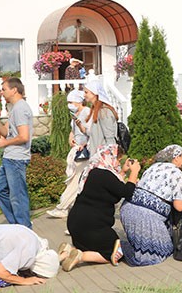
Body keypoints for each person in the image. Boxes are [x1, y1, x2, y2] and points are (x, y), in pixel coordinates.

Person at [60, 144, 140, 271]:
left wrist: (123, 172)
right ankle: (81, 257)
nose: (118, 163)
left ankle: (67, 252)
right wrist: (134, 173)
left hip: (75, 223)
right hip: (91, 226)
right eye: (118, 159)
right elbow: (126, 192)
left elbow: (113, 186)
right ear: (110, 157)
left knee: (89, 245)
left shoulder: (92, 171)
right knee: (114, 251)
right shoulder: (105, 174)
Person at [119, 145, 182, 266]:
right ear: (176, 157)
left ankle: (123, 248)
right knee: (158, 253)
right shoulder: (178, 174)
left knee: (145, 244)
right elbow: (179, 206)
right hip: (147, 216)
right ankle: (121, 247)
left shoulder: (153, 167)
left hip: (127, 209)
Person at [0, 77, 33, 227]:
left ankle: (24, 229)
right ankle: (16, 225)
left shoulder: (21, 108)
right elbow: (7, 132)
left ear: (14, 90)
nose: (1, 93)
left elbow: (24, 136)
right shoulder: (15, 108)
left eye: (4, 89)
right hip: (9, 157)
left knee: (17, 197)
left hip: (16, 159)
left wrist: (4, 143)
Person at [47, 89, 92, 219]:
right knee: (73, 179)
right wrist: (71, 138)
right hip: (76, 150)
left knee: (76, 180)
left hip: (84, 152)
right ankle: (73, 206)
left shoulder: (87, 112)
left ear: (78, 101)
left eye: (71, 102)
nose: (69, 105)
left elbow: (91, 132)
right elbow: (73, 130)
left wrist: (85, 144)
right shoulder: (75, 115)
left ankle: (63, 207)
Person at [83, 79, 118, 156]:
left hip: (103, 157)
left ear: (95, 93)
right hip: (96, 155)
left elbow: (109, 137)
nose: (84, 95)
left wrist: (111, 156)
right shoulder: (95, 110)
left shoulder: (104, 112)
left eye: (86, 92)